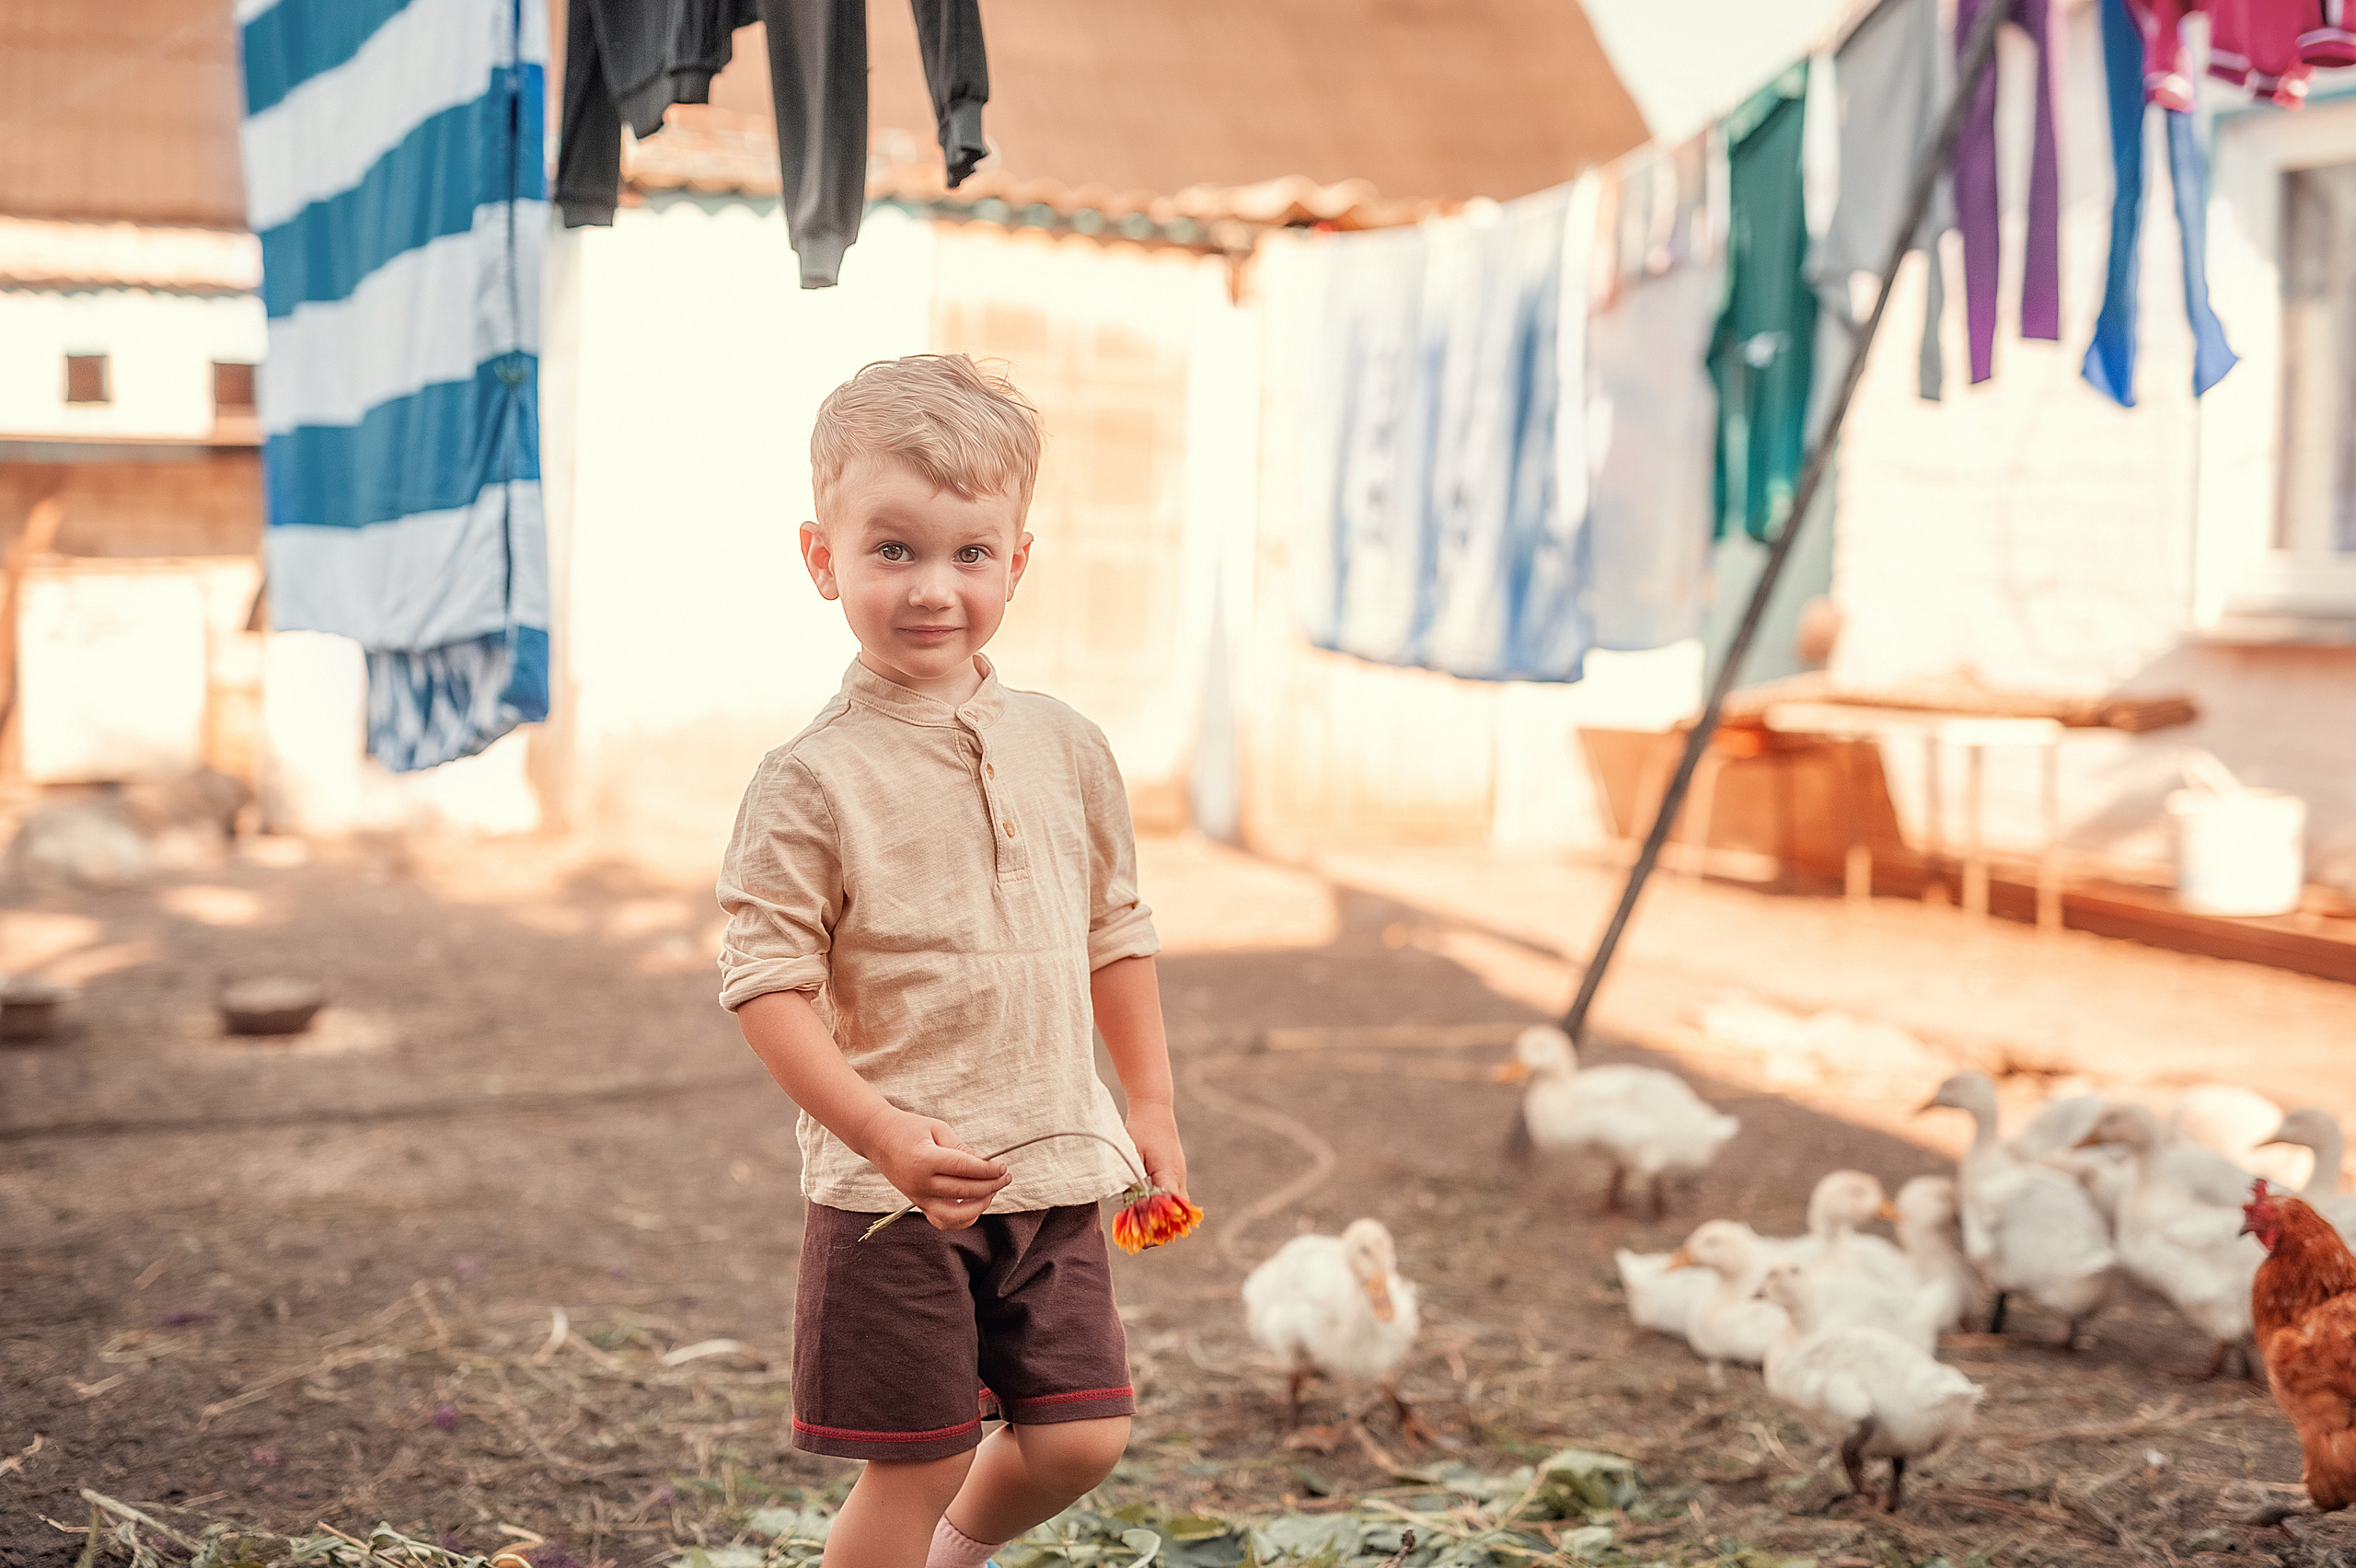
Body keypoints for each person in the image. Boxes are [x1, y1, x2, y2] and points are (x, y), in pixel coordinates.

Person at [716, 354, 1190, 1568]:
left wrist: (1149, 1108)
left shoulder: (1068, 747)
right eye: (894, 551)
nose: (935, 589)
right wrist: (878, 1132)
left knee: (1083, 1439)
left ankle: (954, 1560)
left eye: (970, 554)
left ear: (1018, 560)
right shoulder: (809, 780)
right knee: (919, 1456)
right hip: (894, 1198)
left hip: (1054, 1167)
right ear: (823, 558)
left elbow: (1116, 930)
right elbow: (766, 982)